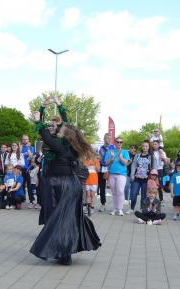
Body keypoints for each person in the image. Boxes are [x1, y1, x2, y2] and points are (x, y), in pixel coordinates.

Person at [29, 105, 101, 265]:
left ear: (66, 135)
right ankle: (64, 252)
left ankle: (64, 253)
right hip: (67, 184)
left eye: (61, 129)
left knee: (62, 219)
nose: (59, 128)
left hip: (64, 184)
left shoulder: (62, 148)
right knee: (65, 218)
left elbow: (47, 138)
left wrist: (37, 121)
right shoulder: (69, 145)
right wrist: (59, 106)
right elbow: (67, 126)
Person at [104, 136, 130, 216]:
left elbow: (126, 163)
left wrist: (120, 157)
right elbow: (106, 163)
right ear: (115, 143)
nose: (119, 143)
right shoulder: (110, 151)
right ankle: (115, 208)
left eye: (120, 142)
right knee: (114, 192)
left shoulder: (125, 152)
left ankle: (120, 209)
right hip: (112, 174)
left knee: (120, 191)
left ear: (122, 143)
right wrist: (111, 157)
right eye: (117, 142)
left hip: (121, 174)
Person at [129, 141, 152, 213]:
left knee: (143, 195)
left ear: (148, 147)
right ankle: (132, 208)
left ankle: (142, 209)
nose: (144, 147)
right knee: (133, 194)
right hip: (137, 178)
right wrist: (132, 175)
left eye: (146, 146)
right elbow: (133, 165)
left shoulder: (151, 156)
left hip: (146, 179)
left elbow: (153, 167)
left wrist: (152, 178)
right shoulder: (137, 155)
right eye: (143, 146)